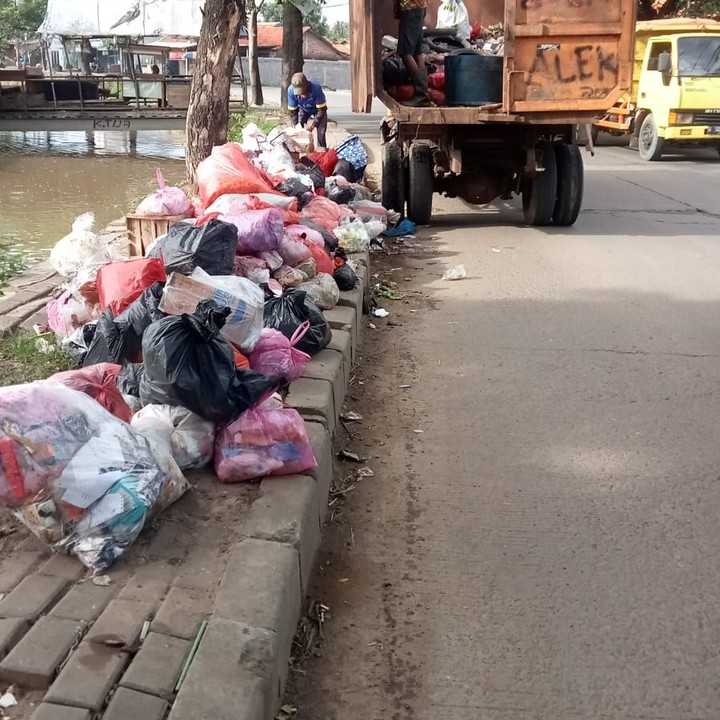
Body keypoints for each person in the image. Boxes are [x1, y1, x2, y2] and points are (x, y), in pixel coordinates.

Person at [394, 0, 430, 104]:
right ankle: (423, 93)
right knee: (417, 52)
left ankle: (421, 93)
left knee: (406, 53)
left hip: (410, 9)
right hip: (420, 8)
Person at [287, 73, 328, 148]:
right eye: (298, 93)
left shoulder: (316, 88)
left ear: (307, 85)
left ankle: (321, 151)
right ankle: (301, 149)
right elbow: (293, 112)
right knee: (298, 128)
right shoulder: (290, 91)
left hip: (318, 110)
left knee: (321, 133)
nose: (301, 95)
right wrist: (296, 126)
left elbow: (321, 110)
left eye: (302, 91)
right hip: (304, 109)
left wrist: (313, 125)